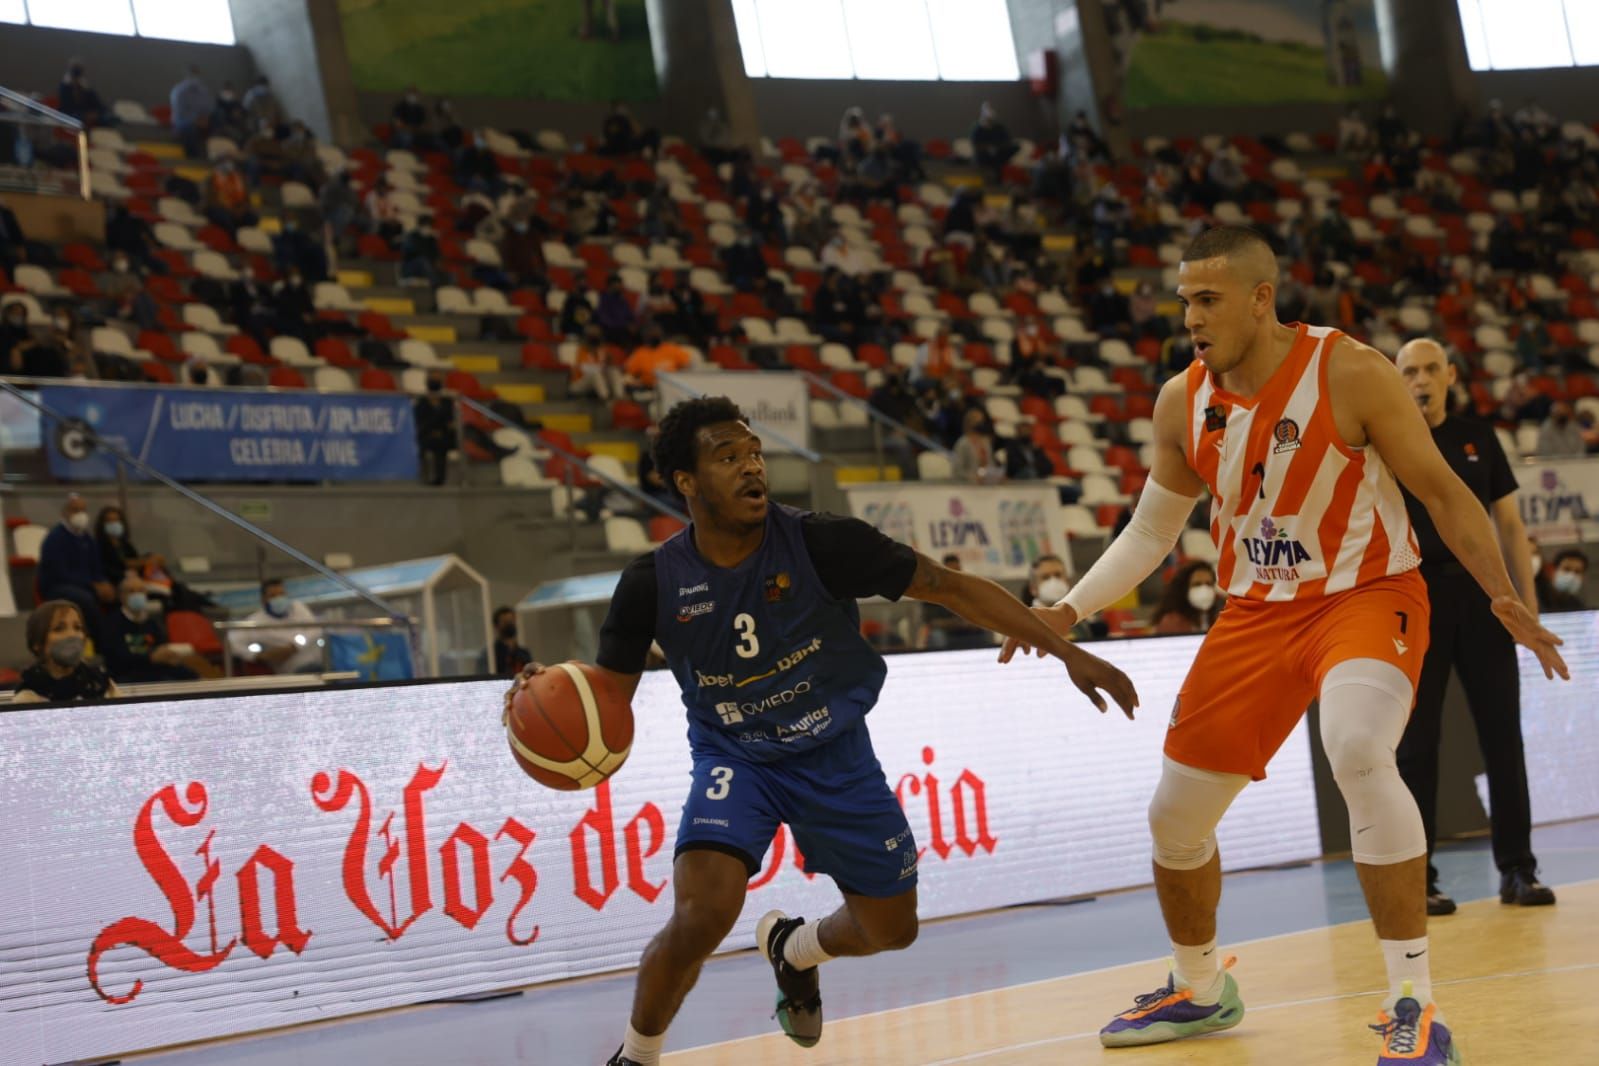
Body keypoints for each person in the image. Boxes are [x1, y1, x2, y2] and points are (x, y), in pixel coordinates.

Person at [1003, 226, 1567, 1064]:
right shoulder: (1180, 400)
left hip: (1366, 594)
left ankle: (1412, 1000)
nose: (1189, 316)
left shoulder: (1349, 371)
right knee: (1174, 819)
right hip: (1254, 615)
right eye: (1184, 299)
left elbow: (1446, 496)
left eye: (1207, 299)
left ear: (1259, 299)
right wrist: (1070, 608)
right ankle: (1198, 989)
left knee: (1357, 749)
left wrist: (1503, 598)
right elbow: (1153, 528)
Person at [502, 397, 1136, 1066]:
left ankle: (791, 949)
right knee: (701, 914)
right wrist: (547, 692)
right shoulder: (652, 582)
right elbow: (606, 699)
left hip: (834, 751)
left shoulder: (824, 541)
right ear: (685, 482)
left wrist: (1069, 650)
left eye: (753, 454)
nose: (751, 468)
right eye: (726, 458)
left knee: (892, 929)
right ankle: (636, 1055)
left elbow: (949, 586)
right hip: (736, 758)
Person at [1390, 338, 1554, 917]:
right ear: (1396, 379)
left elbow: (1509, 528)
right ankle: (1419, 879)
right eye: (1409, 370)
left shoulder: (1479, 438)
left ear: (1451, 374)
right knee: (1414, 746)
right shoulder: (1386, 441)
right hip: (1414, 597)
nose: (1421, 379)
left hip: (1485, 597)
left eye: (1432, 368)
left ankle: (1518, 870)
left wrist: (1524, 609)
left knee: (1503, 738)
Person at [10, 600, 121, 704]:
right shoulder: (28, 697)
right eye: (59, 629)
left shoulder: (103, 685)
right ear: (37, 643)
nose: (72, 635)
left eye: (77, 628)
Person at [38, 494, 115, 641]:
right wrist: (93, 585)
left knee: (114, 596)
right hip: (57, 587)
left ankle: (117, 641)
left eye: (83, 510)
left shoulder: (87, 538)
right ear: (64, 513)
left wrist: (103, 583)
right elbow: (59, 574)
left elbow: (96, 567)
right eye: (75, 510)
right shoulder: (55, 539)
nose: (80, 514)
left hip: (85, 585)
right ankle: (101, 643)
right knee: (86, 599)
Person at [101, 573, 200, 685]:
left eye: (141, 591)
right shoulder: (112, 623)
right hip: (129, 676)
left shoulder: (151, 623)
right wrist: (150, 658)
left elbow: (161, 646)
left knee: (191, 675)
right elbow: (117, 658)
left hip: (156, 671)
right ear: (121, 596)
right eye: (131, 591)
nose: (137, 595)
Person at [227, 578, 324, 674]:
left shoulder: (297, 607)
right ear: (263, 600)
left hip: (320, 663)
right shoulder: (256, 621)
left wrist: (294, 647)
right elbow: (231, 642)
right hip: (292, 671)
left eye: (282, 594)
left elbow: (315, 629)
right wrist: (257, 655)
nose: (279, 598)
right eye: (273, 596)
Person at [1150, 560, 1221, 635]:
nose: (1204, 589)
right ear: (1184, 589)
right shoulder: (1171, 622)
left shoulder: (1219, 618)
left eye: (1208, 584)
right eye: (1197, 584)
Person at [414, 373, 456, 486]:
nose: (434, 381)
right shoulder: (421, 402)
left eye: (437, 379)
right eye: (432, 379)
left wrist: (442, 430)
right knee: (420, 445)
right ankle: (423, 478)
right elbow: (419, 421)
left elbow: (450, 422)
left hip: (443, 435)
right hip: (425, 434)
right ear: (427, 383)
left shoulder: (447, 401)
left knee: (441, 445)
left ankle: (439, 479)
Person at [169, 66, 214, 159]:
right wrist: (196, 120)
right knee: (190, 129)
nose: (195, 78)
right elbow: (180, 113)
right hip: (183, 122)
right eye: (192, 74)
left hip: (203, 121)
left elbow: (209, 107)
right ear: (186, 75)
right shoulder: (179, 91)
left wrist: (205, 117)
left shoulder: (204, 91)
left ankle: (214, 156)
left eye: (196, 74)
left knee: (219, 122)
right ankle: (193, 158)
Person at [951, 409, 1004, 484]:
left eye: (982, 421)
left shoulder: (985, 442)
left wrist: (995, 475)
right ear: (969, 423)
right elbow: (957, 470)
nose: (981, 423)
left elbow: (991, 464)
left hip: (987, 484)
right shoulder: (962, 443)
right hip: (967, 486)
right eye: (978, 421)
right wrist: (972, 477)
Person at [485, 606, 532, 676]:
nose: (510, 624)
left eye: (511, 620)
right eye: (505, 622)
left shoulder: (524, 653)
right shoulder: (490, 654)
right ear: (496, 626)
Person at [1539, 547, 1587, 612]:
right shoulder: (1538, 598)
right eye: (1566, 569)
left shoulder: (1577, 605)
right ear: (1552, 571)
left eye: (1577, 571)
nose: (1571, 576)